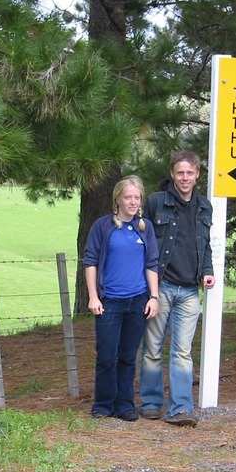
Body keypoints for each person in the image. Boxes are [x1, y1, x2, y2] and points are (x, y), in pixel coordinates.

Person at [139, 150, 215, 427]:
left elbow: (205, 245)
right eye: (180, 172)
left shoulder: (205, 207)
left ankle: (181, 408)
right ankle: (150, 403)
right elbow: (143, 244)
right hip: (161, 287)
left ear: (197, 176)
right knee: (152, 348)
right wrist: (148, 288)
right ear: (172, 174)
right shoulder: (156, 203)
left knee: (183, 352)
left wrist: (207, 271)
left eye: (190, 173)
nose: (185, 178)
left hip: (190, 291)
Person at [83, 175, 160, 421]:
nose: (133, 202)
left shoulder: (145, 228)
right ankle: (103, 404)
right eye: (128, 197)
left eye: (137, 197)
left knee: (128, 355)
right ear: (117, 199)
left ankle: (125, 404)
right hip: (109, 302)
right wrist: (93, 296)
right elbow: (90, 261)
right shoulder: (103, 227)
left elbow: (152, 264)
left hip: (137, 301)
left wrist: (154, 297)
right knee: (107, 355)